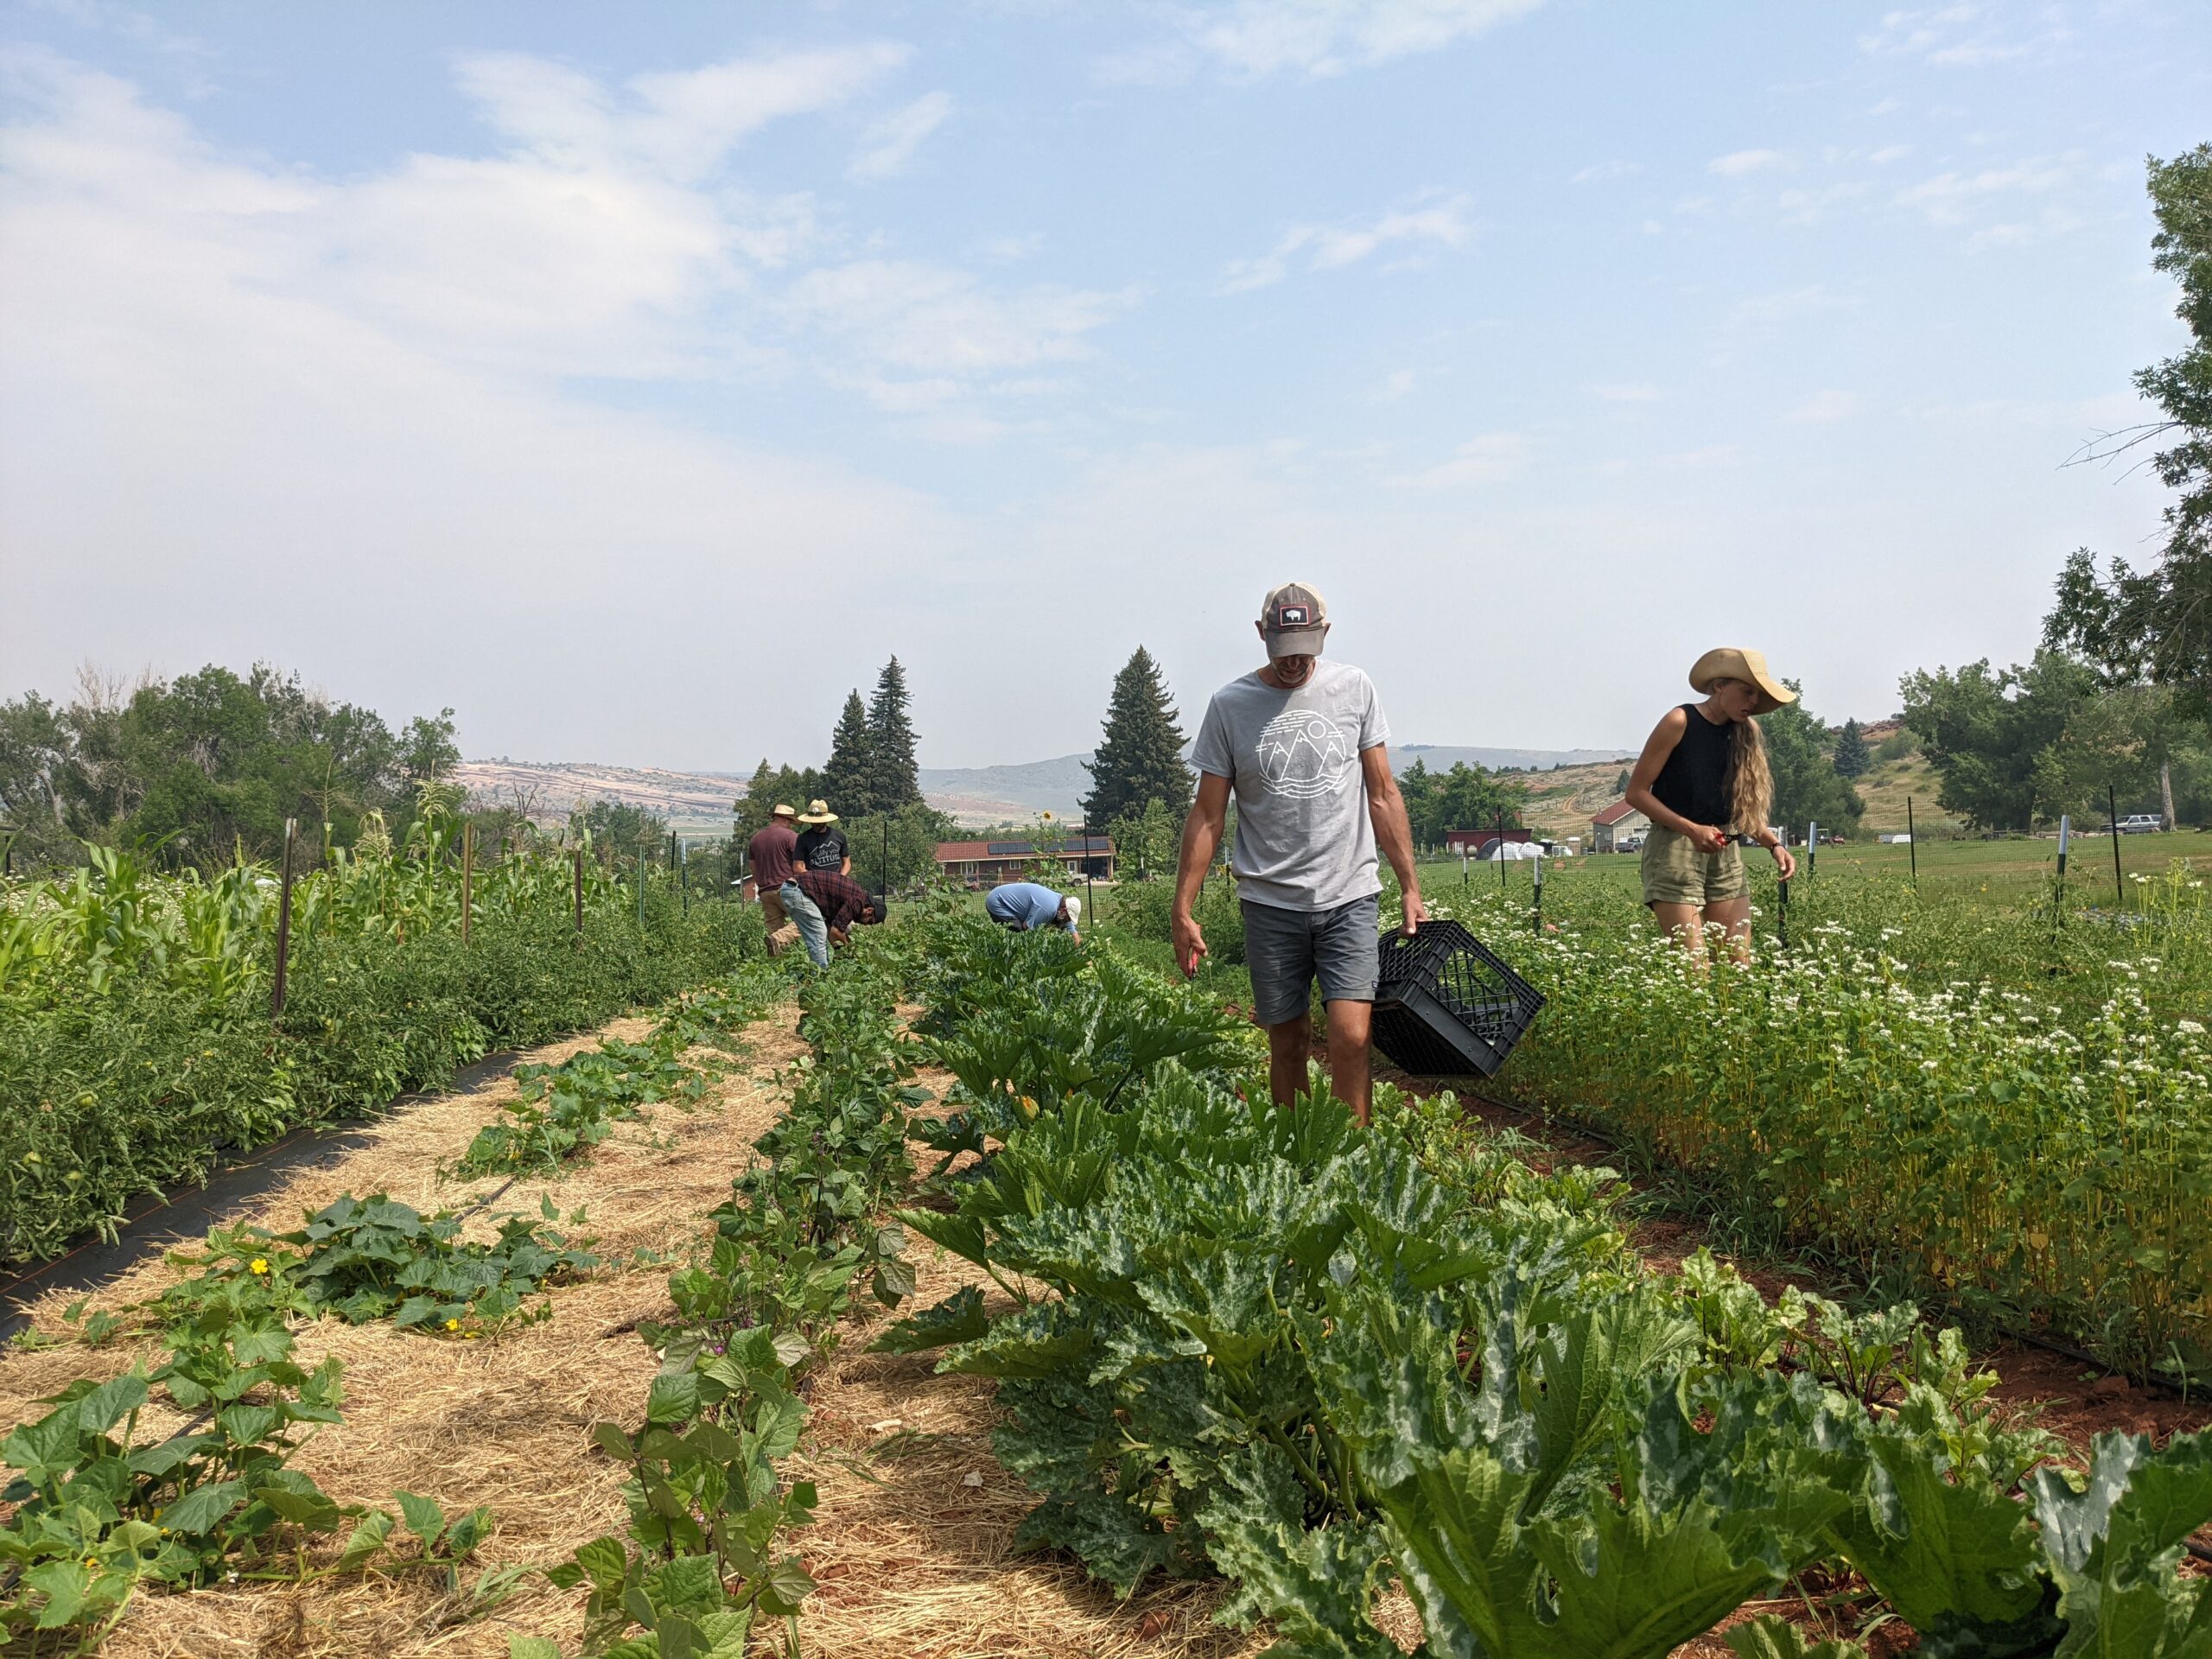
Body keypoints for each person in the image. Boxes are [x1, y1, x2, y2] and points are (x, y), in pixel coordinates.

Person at [1173, 582, 1424, 1126]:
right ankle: (1296, 1160)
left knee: (1352, 1038)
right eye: (1281, 647)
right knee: (1287, 1042)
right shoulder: (1230, 705)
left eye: (1305, 648)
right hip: (1270, 901)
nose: (1292, 661)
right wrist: (1183, 909)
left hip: (1349, 893)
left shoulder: (1354, 689)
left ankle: (1349, 1157)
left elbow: (1382, 792)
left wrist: (1409, 886)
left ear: (1324, 634)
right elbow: (1209, 815)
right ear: (1262, 634)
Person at [1623, 647, 1799, 965]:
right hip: (1674, 849)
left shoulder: (1746, 732)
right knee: (1695, 970)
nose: (1752, 703)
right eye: (1746, 692)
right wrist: (1692, 830)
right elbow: (1635, 794)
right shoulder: (1680, 721)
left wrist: (1774, 845)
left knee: (1738, 966)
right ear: (1719, 686)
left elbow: (1742, 810)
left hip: (1726, 850)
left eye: (1757, 696)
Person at [745, 803, 830, 969]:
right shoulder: (790, 837)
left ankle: (778, 971)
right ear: (784, 820)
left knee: (773, 930)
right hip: (788, 888)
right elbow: (801, 862)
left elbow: (752, 865)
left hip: (765, 892)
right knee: (811, 919)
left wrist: (761, 883)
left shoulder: (756, 839)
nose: (790, 825)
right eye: (790, 821)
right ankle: (781, 939)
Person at [793, 865, 881, 945]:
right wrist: (848, 951)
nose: (866, 925)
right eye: (870, 922)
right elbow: (836, 931)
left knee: (842, 929)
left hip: (797, 887)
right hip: (798, 890)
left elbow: (834, 929)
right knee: (819, 932)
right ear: (869, 911)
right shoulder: (857, 901)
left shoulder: (857, 896)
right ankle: (779, 940)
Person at [984, 880, 1081, 942]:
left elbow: (1074, 935)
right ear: (1064, 910)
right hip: (998, 902)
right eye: (1068, 918)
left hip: (1002, 898)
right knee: (1021, 935)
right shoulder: (1048, 909)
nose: (1067, 921)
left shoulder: (1061, 906)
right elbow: (1027, 927)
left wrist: (1083, 957)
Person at [795, 800, 851, 874]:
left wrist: (841, 877)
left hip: (835, 881)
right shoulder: (803, 839)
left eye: (819, 822)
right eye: (813, 822)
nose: (816, 824)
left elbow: (847, 862)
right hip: (813, 883)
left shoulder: (839, 836)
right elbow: (797, 867)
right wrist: (814, 878)